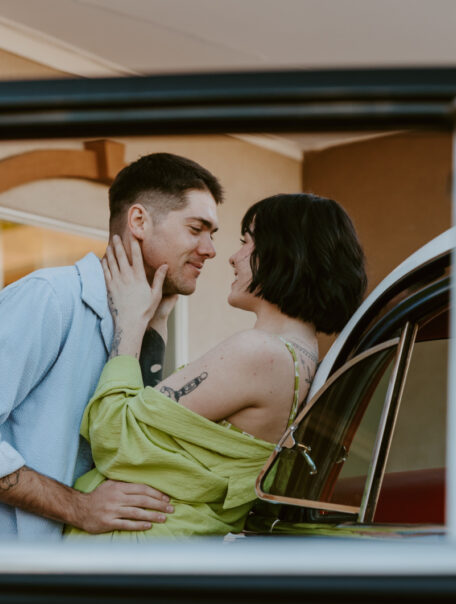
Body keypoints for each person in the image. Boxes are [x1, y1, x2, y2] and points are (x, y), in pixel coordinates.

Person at [0, 153, 224, 540]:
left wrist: (153, 324)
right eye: (196, 228)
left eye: (213, 234)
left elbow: (132, 445)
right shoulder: (50, 298)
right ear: (138, 221)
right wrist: (79, 506)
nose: (210, 249)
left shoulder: (141, 320)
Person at [65, 193, 367, 540]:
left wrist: (130, 322)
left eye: (247, 243)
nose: (233, 258)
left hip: (136, 553)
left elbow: (114, 437)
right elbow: (172, 437)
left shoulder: (259, 353)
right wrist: (159, 322)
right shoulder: (303, 357)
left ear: (285, 253)